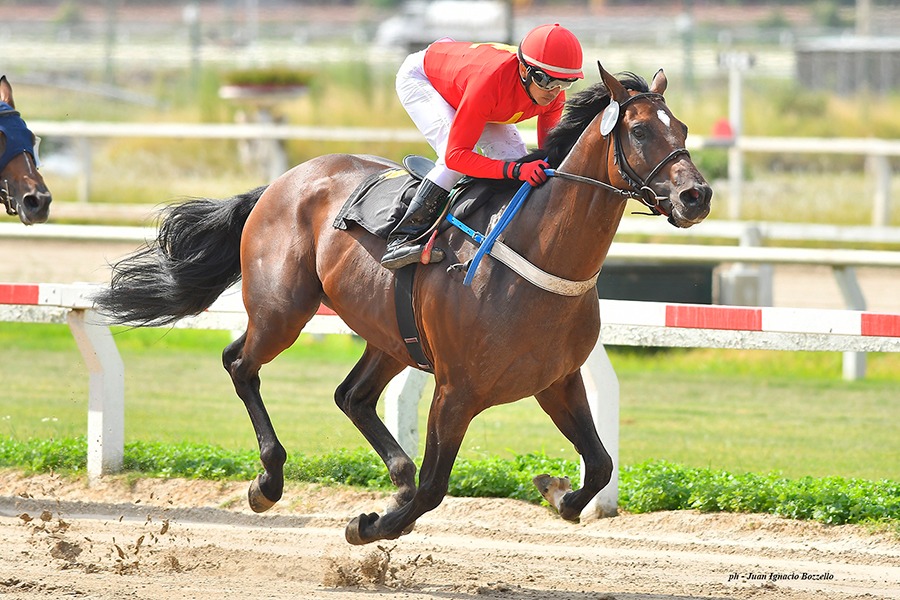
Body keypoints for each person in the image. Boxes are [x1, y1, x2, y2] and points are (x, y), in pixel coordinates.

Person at [381, 23, 584, 269]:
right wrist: (516, 170)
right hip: (425, 79)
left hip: (474, 89)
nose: (554, 92)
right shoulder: (489, 83)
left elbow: (551, 154)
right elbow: (457, 156)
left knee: (515, 157)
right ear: (524, 70)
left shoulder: (552, 94)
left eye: (565, 83)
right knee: (452, 164)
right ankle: (402, 239)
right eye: (545, 81)